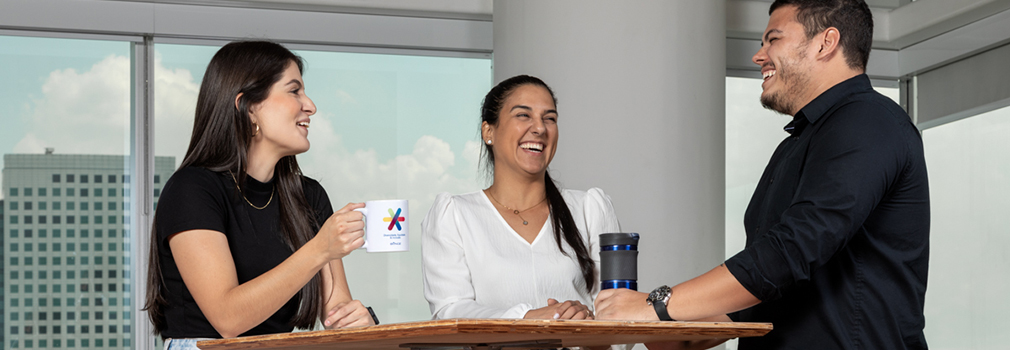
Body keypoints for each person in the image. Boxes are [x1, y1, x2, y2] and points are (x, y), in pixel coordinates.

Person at [596, 1, 930, 349]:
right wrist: (675, 334)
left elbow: (792, 251)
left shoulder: (869, 122)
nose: (759, 56)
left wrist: (660, 307)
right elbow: (768, 288)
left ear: (825, 42)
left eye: (773, 39)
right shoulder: (795, 146)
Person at [144, 41, 376, 348]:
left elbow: (337, 313)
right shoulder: (192, 190)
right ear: (248, 106)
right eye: (294, 91)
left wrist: (359, 322)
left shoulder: (309, 196)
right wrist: (320, 248)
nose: (310, 106)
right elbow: (227, 319)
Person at [421, 75, 621, 321]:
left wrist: (588, 331)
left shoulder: (590, 209)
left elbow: (620, 314)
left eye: (550, 118)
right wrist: (528, 318)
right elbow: (450, 312)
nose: (539, 128)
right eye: (523, 115)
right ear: (488, 131)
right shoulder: (453, 216)